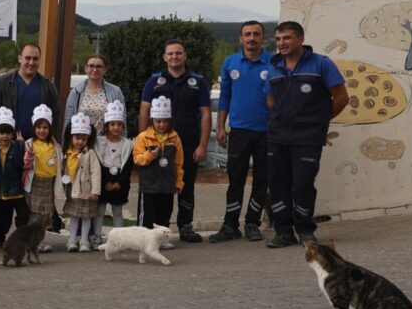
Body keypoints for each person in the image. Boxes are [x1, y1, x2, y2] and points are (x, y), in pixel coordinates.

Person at [263, 21, 349, 248]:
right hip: (277, 136)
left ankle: (304, 230)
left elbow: (341, 97)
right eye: (279, 39)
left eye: (287, 38)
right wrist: (279, 118)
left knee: (302, 185)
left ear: (300, 39)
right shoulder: (274, 67)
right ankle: (283, 232)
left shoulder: (321, 64)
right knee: (278, 184)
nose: (282, 43)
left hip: (308, 138)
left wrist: (319, 121)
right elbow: (270, 98)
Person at [139, 40, 211, 243]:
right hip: (158, 146)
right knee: (159, 187)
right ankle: (157, 228)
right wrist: (144, 140)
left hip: (188, 144)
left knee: (186, 186)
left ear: (185, 55)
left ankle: (185, 226)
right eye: (170, 54)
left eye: (178, 53)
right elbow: (144, 110)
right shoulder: (155, 81)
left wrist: (203, 145)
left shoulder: (198, 82)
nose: (174, 57)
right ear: (164, 57)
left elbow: (205, 115)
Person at [211, 21, 273, 244]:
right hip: (238, 131)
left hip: (266, 133)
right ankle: (230, 224)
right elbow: (224, 96)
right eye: (248, 34)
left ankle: (252, 223)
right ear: (241, 38)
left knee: (261, 181)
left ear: (263, 38)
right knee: (235, 180)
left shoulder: (274, 62)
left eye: (256, 34)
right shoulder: (230, 63)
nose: (252, 38)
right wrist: (221, 127)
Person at [0, 43, 60, 141]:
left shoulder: (48, 86)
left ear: (40, 60)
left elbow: (55, 115)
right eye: (28, 58)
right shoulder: (3, 83)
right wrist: (3, 135)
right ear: (19, 58)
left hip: (38, 146)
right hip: (10, 145)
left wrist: (46, 139)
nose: (31, 62)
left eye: (35, 59)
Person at [133, 96, 184, 230]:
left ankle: (161, 241)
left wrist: (179, 182)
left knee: (164, 216)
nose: (162, 125)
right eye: (158, 121)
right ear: (152, 120)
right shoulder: (143, 137)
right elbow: (137, 159)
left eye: (165, 121)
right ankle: (143, 241)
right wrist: (150, 155)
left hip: (167, 186)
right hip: (148, 187)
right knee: (147, 219)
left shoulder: (175, 138)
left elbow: (178, 163)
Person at [22, 104, 64, 253]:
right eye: (39, 127)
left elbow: (59, 164)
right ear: (34, 128)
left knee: (45, 214)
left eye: (45, 127)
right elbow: (25, 165)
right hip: (35, 183)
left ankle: (42, 239)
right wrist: (29, 155)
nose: (42, 130)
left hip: (49, 184)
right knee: (33, 214)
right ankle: (31, 241)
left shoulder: (55, 146)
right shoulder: (29, 144)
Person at [0, 107, 28, 246]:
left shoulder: (17, 147)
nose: (5, 136)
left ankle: (19, 238)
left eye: (8, 133)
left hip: (14, 191)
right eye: (1, 133)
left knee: (14, 217)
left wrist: (21, 145)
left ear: (12, 134)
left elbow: (20, 165)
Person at [93, 100, 132, 247]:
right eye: (112, 124)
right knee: (100, 210)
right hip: (104, 178)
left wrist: (119, 183)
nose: (116, 127)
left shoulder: (127, 144)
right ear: (106, 126)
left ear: (123, 126)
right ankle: (97, 236)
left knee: (117, 210)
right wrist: (106, 182)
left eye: (119, 124)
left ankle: (119, 239)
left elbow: (127, 165)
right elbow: (98, 162)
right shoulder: (99, 142)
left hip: (119, 181)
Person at [61, 113, 101, 253]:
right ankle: (72, 239)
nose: (80, 142)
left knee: (86, 215)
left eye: (83, 139)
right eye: (77, 138)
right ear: (71, 137)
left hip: (86, 190)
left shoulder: (90, 153)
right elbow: (62, 170)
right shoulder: (66, 153)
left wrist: (95, 191)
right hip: (72, 189)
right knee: (74, 215)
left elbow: (96, 173)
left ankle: (84, 240)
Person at [64, 55, 126, 136]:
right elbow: (68, 121)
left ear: (105, 70)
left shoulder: (116, 92)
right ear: (86, 68)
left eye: (99, 66)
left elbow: (123, 120)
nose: (95, 69)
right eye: (91, 66)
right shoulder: (76, 92)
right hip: (82, 143)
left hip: (107, 144)